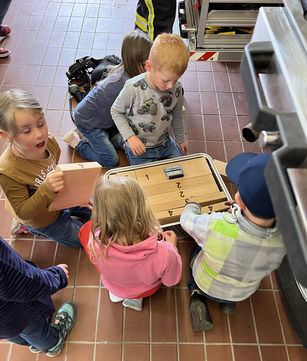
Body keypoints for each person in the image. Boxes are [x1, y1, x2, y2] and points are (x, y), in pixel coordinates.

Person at [180, 153, 286, 332]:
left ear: (238, 200)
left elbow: (186, 221)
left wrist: (192, 207)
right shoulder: (285, 238)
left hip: (207, 283)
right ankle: (229, 303)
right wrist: (238, 210)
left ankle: (196, 295)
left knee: (194, 253)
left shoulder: (216, 225)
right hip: (243, 292)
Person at [0, 89, 91, 248]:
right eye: (27, 131)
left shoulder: (49, 142)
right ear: (7, 136)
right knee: (86, 239)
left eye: (41, 124)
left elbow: (53, 167)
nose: (39, 134)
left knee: (99, 208)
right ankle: (25, 226)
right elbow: (24, 211)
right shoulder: (7, 171)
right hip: (41, 220)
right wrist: (46, 189)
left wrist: (72, 194)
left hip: (59, 198)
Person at [79, 176, 182, 311]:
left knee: (85, 229)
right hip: (146, 288)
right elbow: (170, 281)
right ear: (144, 211)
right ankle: (135, 297)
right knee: (139, 282)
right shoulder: (164, 252)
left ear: (101, 214)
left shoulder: (95, 239)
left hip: (114, 284)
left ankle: (117, 294)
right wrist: (172, 247)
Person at [63, 30, 153, 168]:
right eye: (147, 62)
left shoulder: (127, 69)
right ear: (136, 64)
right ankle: (78, 143)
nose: (150, 66)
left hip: (100, 117)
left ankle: (102, 137)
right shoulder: (125, 85)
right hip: (88, 124)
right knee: (110, 160)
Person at [111, 33, 189, 165]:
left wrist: (181, 138)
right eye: (166, 80)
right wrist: (131, 138)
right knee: (147, 180)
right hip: (140, 147)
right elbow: (116, 111)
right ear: (149, 66)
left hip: (165, 144)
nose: (171, 86)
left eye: (176, 80)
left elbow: (177, 115)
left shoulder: (177, 89)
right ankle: (121, 140)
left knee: (180, 170)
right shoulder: (133, 87)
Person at [0, 237, 76, 357]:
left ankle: (33, 344)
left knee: (13, 332)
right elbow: (20, 283)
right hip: (12, 311)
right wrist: (57, 277)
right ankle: (52, 344)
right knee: (32, 329)